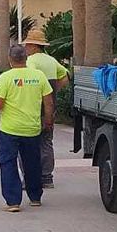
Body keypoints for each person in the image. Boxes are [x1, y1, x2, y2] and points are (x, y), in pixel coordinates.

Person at [0, 44, 54, 212]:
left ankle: (13, 202)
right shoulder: (39, 76)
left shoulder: (6, 77)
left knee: (8, 163)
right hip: (32, 129)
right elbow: (49, 102)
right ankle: (35, 197)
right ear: (26, 58)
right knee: (32, 163)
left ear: (10, 59)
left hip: (10, 130)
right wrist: (48, 122)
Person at [21, 29, 69, 189]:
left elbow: (28, 80)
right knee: (47, 142)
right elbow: (65, 75)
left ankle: (30, 178)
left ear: (34, 46)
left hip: (34, 109)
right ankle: (47, 177)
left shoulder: (31, 61)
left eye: (28, 44)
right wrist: (54, 90)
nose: (26, 47)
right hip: (51, 108)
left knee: (28, 144)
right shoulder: (51, 60)